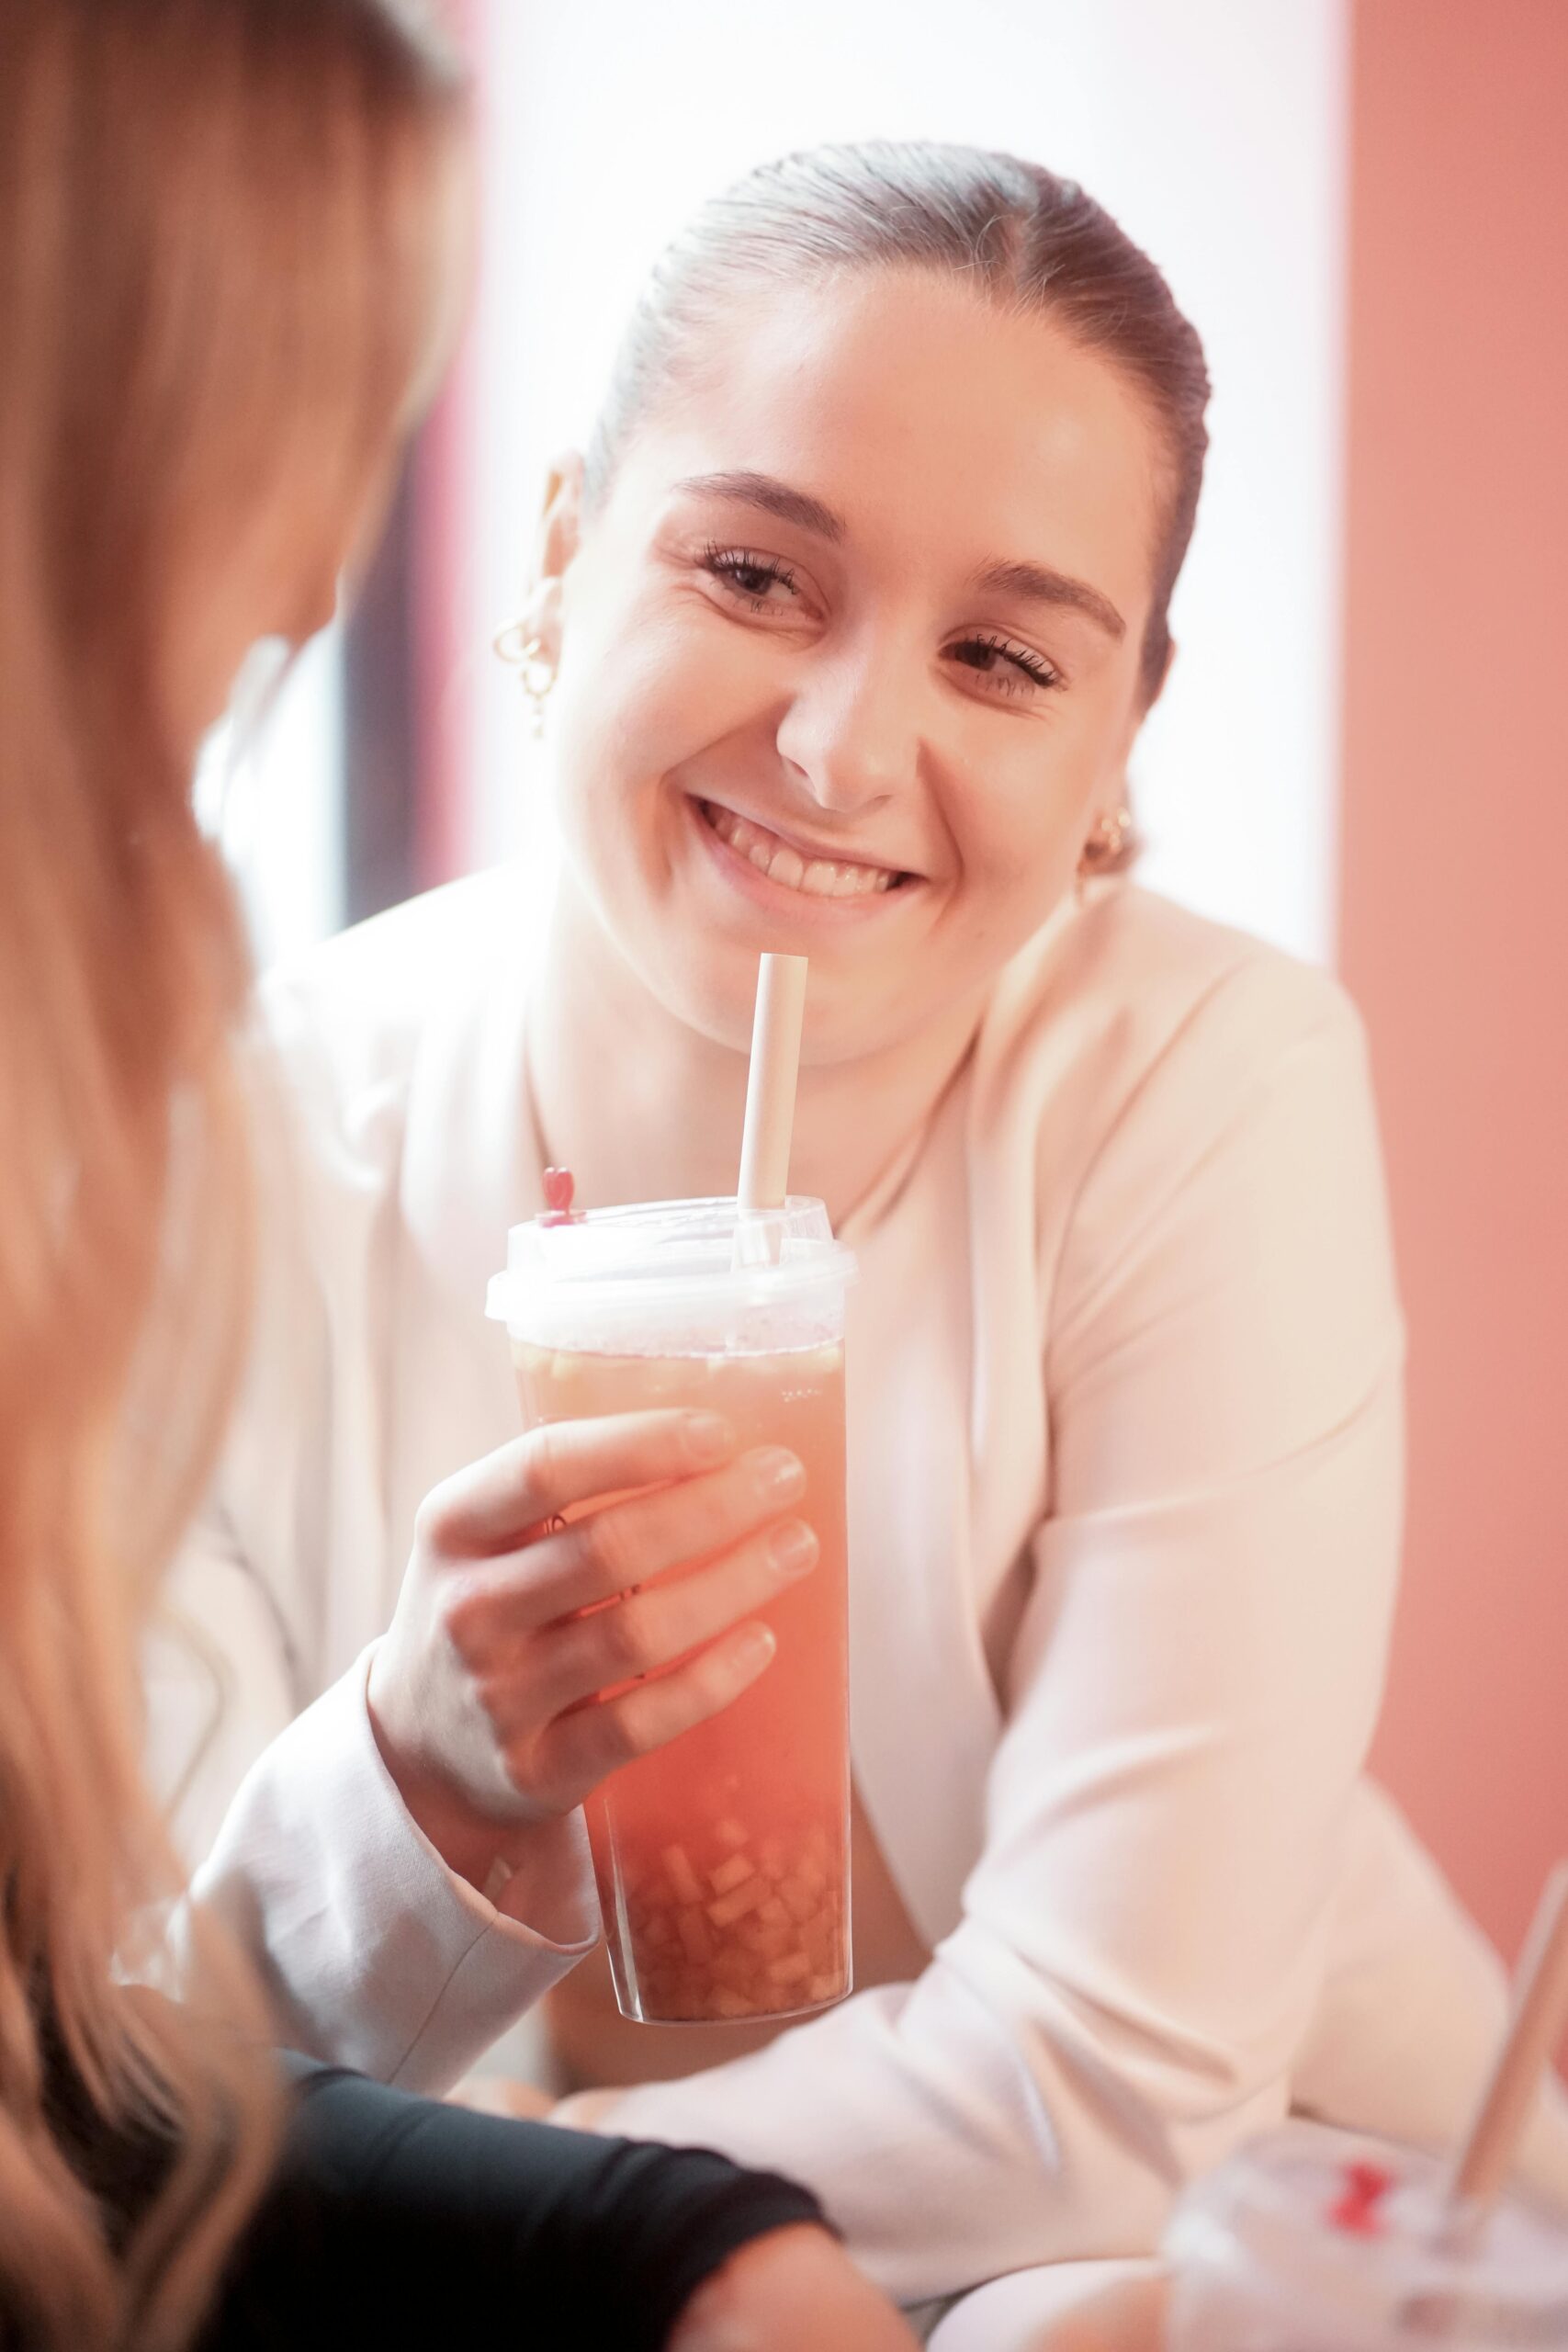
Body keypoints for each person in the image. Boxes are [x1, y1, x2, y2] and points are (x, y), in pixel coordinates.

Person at [158, 139, 1568, 2335]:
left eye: (1001, 656)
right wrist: (416, 1764)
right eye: (752, 574)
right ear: (560, 550)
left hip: (1277, 2255)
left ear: (1115, 734)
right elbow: (145, 2079)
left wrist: (536, 2217)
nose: (836, 746)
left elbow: (1120, 2081)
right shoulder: (225, 1147)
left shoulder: (1202, 1083)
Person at [0, 7, 920, 2346]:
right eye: (298, 418)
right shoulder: (241, 1106)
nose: (316, 566)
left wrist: (675, 2240)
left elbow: (58, 2098)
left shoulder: (91, 1061)